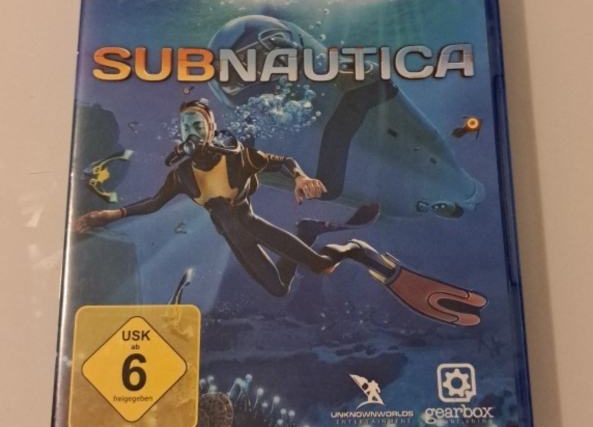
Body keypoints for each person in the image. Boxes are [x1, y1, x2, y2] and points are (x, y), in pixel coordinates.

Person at [75, 100, 487, 325]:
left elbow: (282, 161)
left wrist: (301, 178)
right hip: (235, 238)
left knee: (323, 267)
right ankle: (308, 230)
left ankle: (357, 250)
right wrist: (110, 216)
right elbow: (152, 203)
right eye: (186, 127)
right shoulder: (181, 174)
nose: (192, 132)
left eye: (198, 125)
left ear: (211, 126)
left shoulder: (237, 155)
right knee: (277, 290)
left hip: (252, 225)